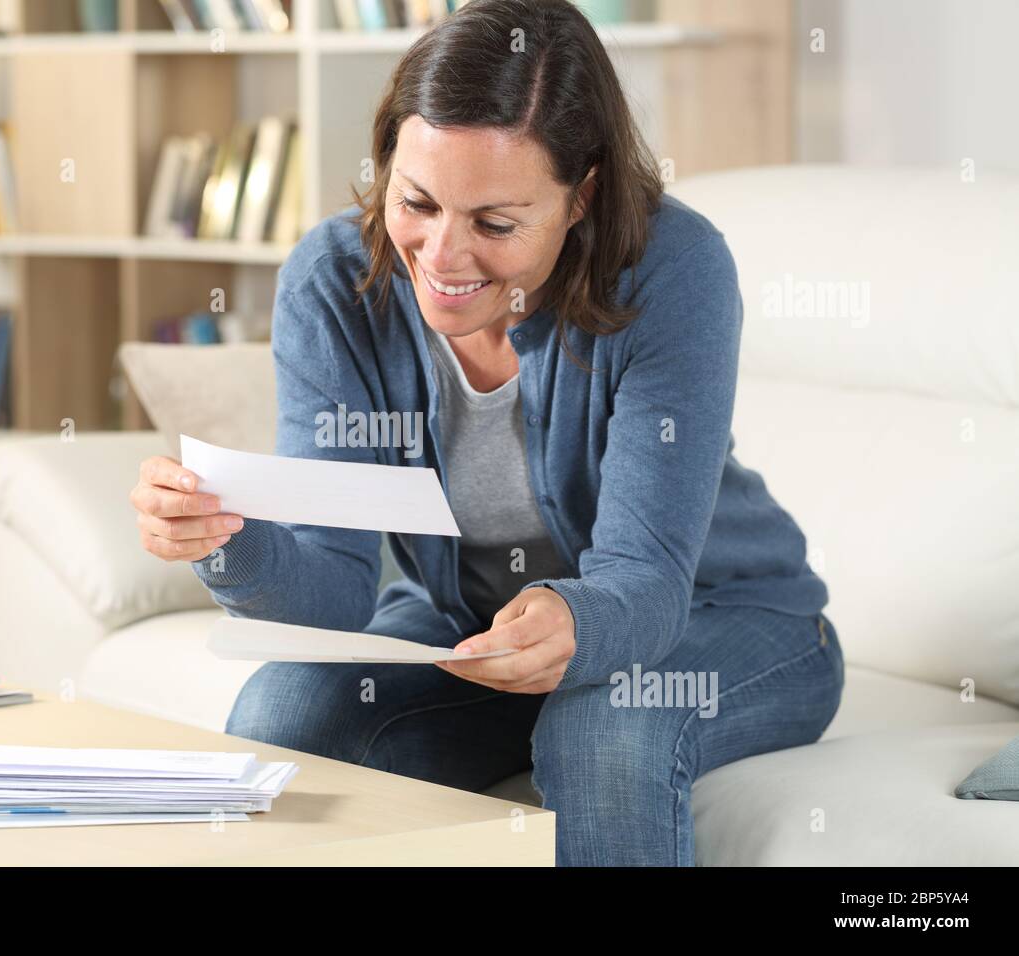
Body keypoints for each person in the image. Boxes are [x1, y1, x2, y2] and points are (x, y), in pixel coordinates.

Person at [129, 0, 844, 866]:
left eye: (495, 224)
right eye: (417, 202)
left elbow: (647, 584)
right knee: (282, 718)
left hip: (721, 617)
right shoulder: (336, 283)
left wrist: (570, 619)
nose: (441, 256)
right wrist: (226, 540)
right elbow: (337, 590)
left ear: (581, 197)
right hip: (472, 629)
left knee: (602, 730)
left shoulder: (673, 269)